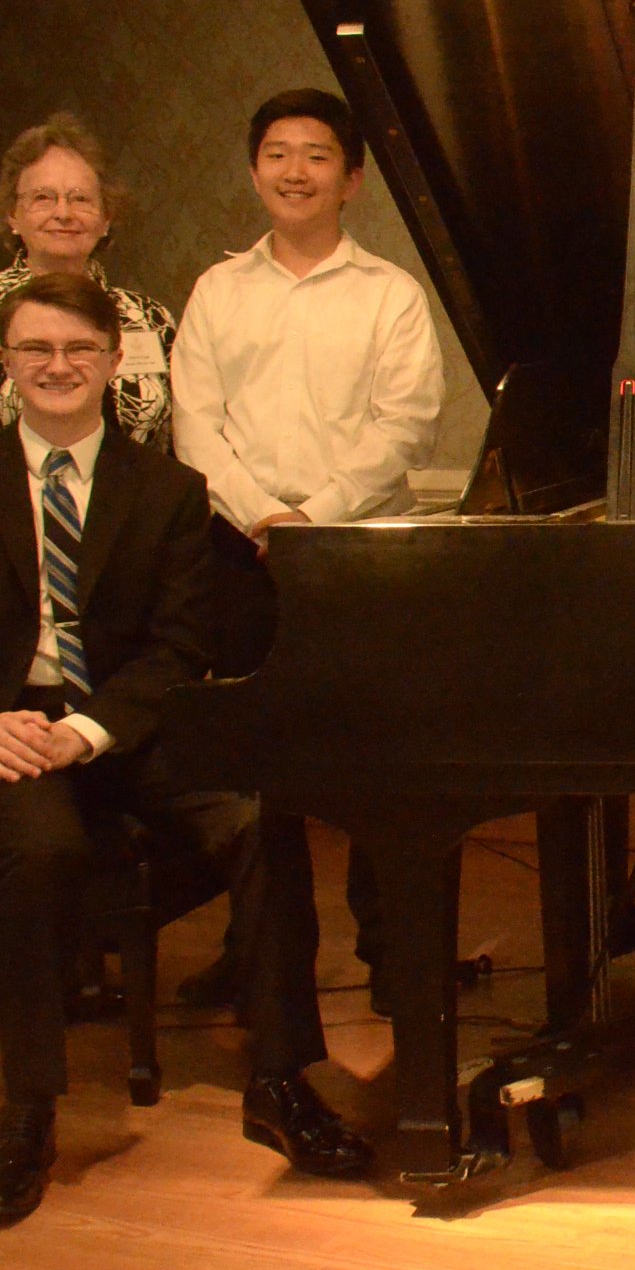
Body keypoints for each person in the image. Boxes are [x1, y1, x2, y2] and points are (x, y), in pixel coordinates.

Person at [0, 274, 373, 1227]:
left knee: (261, 817)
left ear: (110, 363)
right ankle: (29, 1110)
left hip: (124, 726)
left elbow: (178, 648)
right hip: (4, 737)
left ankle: (281, 1080)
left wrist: (88, 728)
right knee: (42, 846)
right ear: (6, 363)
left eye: (77, 350)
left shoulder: (169, 493)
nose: (56, 367)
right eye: (35, 350)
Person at [168, 88, 443, 1013]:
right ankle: (261, 953)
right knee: (256, 766)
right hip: (240, 558)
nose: (295, 170)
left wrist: (314, 515)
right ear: (255, 172)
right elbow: (195, 424)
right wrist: (261, 517)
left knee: (378, 757)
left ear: (351, 179)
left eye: (317, 155)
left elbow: (404, 426)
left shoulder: (391, 296)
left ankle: (391, 945)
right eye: (278, 154)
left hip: (362, 557)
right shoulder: (215, 291)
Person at [0, 113, 175, 461]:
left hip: (136, 511)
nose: (63, 213)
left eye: (80, 199)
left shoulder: (150, 319)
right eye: (43, 198)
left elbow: (172, 447)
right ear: (12, 215)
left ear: (106, 218)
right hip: (0, 510)